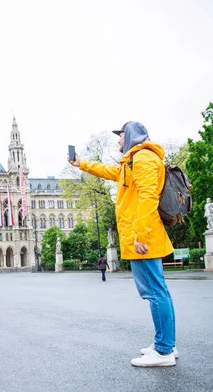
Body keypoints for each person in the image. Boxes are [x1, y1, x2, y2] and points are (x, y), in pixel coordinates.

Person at [68, 121, 178, 367]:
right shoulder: (132, 161)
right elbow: (109, 172)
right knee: (157, 292)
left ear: (129, 136)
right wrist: (82, 163)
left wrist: (140, 234)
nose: (117, 141)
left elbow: (148, 197)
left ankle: (164, 351)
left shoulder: (143, 159)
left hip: (143, 239)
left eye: (119, 136)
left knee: (155, 292)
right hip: (141, 237)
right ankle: (165, 342)